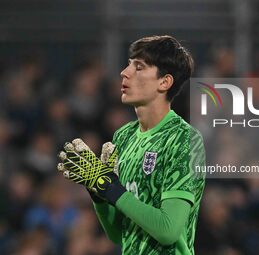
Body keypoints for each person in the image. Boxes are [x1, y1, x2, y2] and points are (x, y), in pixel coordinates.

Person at [58, 35, 206, 254]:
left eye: (139, 67)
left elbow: (168, 231)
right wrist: (98, 194)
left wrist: (112, 189)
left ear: (164, 82)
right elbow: (118, 233)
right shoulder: (124, 136)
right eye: (129, 64)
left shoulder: (183, 139)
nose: (124, 72)